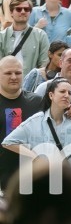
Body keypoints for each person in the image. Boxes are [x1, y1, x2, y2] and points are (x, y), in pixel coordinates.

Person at [4, 77, 71, 167]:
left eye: (69, 93)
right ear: (51, 95)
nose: (67, 95)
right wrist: (34, 157)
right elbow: (8, 142)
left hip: (70, 179)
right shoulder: (35, 121)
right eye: (62, 92)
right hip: (43, 178)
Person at [0, 56, 46, 188]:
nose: (14, 77)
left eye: (18, 73)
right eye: (8, 73)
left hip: (33, 177)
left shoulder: (38, 101)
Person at [0, 0, 49, 74]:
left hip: (31, 84)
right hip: (6, 84)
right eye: (18, 9)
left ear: (30, 12)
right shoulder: (2, 36)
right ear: (11, 12)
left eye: (26, 9)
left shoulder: (41, 36)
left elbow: (44, 65)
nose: (23, 12)